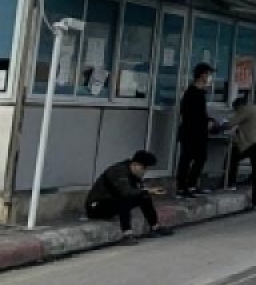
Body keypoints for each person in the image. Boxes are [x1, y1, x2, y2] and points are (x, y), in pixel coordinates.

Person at [85, 150, 174, 242]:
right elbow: (126, 192)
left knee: (144, 197)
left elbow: (138, 191)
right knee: (124, 199)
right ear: (135, 165)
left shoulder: (134, 174)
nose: (144, 172)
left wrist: (147, 191)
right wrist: (148, 190)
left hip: (111, 202)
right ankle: (127, 234)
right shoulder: (119, 171)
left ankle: (155, 227)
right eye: (144, 169)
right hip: (96, 206)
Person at [175, 64, 216, 197]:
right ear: (203, 75)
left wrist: (208, 120)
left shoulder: (200, 93)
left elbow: (200, 114)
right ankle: (182, 187)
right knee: (187, 159)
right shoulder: (193, 93)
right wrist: (206, 122)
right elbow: (189, 113)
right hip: (191, 132)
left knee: (199, 158)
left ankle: (191, 185)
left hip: (198, 132)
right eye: (209, 75)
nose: (210, 78)